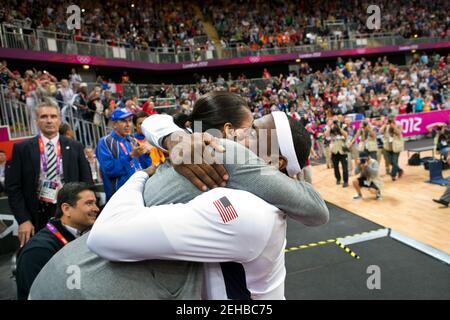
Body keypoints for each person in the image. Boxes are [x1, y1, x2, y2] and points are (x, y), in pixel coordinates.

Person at [29, 96, 328, 300]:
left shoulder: (247, 202)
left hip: (71, 278)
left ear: (275, 163)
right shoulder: (223, 164)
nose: (240, 136)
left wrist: (147, 171)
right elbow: (157, 122)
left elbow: (316, 211)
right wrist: (166, 149)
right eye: (245, 129)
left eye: (254, 133)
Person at [6, 100, 93, 248]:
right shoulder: (22, 148)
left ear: (59, 119)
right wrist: (23, 219)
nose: (49, 120)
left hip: (69, 211)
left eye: (53, 116)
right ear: (36, 121)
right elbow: (13, 187)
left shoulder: (75, 146)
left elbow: (86, 182)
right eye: (44, 116)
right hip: (36, 215)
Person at [16, 182, 98, 300]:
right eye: (89, 203)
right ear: (66, 209)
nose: (96, 208)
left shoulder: (87, 235)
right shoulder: (37, 251)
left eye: (95, 202)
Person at [96, 108, 146, 201]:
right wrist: (130, 156)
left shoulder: (132, 139)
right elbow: (110, 170)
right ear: (114, 124)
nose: (128, 125)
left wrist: (146, 154)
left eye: (130, 121)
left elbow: (142, 166)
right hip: (119, 198)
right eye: (123, 121)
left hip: (138, 193)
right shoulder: (105, 142)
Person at [325, 118, 349, 187]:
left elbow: (346, 135)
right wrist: (330, 126)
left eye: (336, 121)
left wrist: (339, 127)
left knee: (345, 167)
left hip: (343, 150)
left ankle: (346, 181)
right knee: (335, 167)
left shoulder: (343, 126)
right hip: (334, 150)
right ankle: (338, 179)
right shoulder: (331, 128)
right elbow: (326, 135)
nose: (335, 123)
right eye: (334, 121)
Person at [381, 116, 404, 181]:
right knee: (390, 161)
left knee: (394, 161)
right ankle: (400, 170)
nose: (390, 121)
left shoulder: (399, 124)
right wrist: (385, 124)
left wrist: (393, 126)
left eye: (392, 119)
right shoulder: (386, 125)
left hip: (396, 146)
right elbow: (381, 131)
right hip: (388, 146)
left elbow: (399, 133)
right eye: (389, 119)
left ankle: (393, 175)